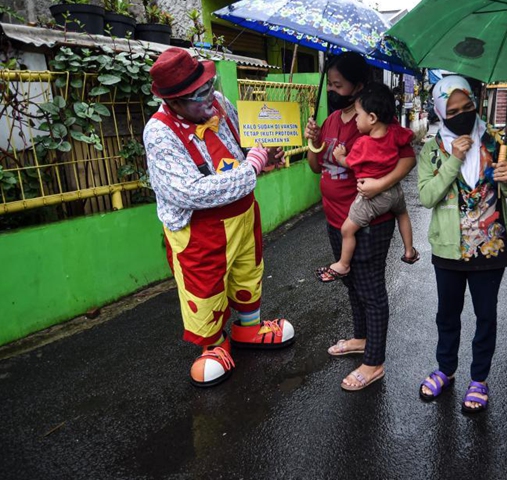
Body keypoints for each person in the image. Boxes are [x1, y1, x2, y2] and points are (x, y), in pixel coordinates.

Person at [143, 48, 295, 388]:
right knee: (205, 286)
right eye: (200, 94)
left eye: (210, 85)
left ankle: (249, 327)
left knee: (248, 271)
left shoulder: (219, 105)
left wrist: (267, 151)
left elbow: (246, 143)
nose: (210, 98)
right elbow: (191, 192)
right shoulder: (159, 133)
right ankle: (213, 345)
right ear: (175, 102)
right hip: (200, 230)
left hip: (242, 215)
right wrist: (253, 165)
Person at [304, 52, 417, 391]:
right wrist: (312, 137)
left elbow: (408, 159)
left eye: (339, 84)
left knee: (370, 288)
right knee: (351, 282)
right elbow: (315, 165)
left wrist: (381, 185)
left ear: (358, 84)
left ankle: (374, 361)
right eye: (332, 84)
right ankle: (361, 338)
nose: (335, 90)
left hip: (371, 218)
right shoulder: (333, 119)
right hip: (335, 217)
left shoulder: (377, 119)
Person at [416, 75, 507, 413]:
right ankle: (445, 370)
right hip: (448, 248)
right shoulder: (433, 150)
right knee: (447, 314)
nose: (462, 115)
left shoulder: (495, 141)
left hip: (490, 248)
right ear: (440, 112)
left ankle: (479, 379)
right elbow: (427, 196)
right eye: (453, 110)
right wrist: (454, 160)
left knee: (485, 316)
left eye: (468, 107)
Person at [314, 82, 419, 282]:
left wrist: (340, 155)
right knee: (403, 214)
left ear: (372, 118)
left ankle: (343, 264)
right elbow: (409, 136)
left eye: (359, 115)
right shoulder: (395, 132)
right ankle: (408, 250)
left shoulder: (363, 143)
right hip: (395, 192)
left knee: (347, 229)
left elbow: (350, 163)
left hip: (373, 197)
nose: (355, 120)